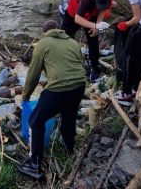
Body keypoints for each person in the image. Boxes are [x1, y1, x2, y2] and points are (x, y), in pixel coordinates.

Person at [17, 20, 86, 179]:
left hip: (58, 90)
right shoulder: (73, 42)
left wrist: (26, 95)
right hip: (79, 86)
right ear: (59, 30)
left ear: (45, 32)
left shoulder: (43, 43)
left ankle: (35, 166)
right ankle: (70, 151)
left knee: (36, 121)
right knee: (69, 118)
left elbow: (33, 74)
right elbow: (79, 65)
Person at [61, 0, 113, 82]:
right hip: (73, 14)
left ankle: (95, 69)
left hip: (92, 14)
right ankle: (67, 63)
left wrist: (97, 26)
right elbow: (78, 18)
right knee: (64, 36)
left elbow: (103, 10)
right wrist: (95, 26)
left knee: (93, 39)